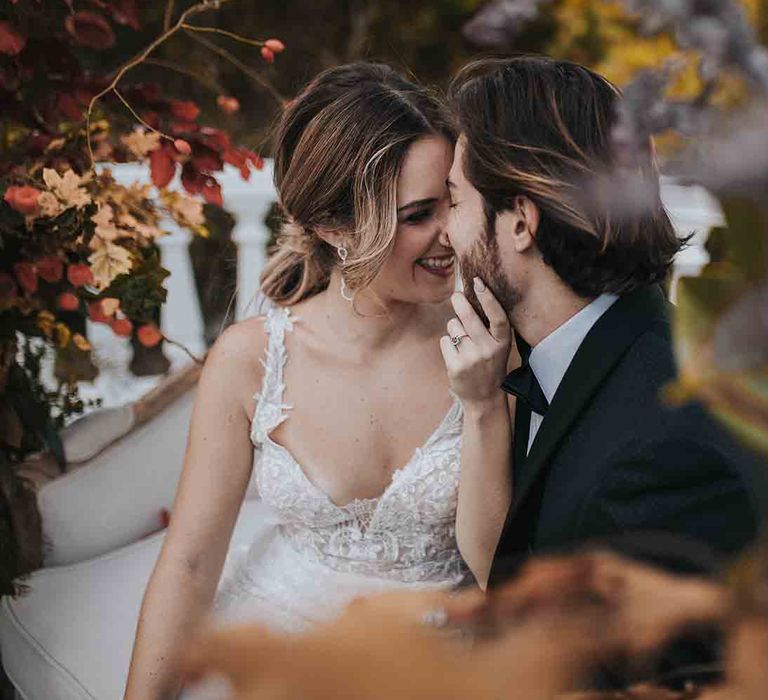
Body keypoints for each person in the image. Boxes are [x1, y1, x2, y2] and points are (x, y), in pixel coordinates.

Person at [123, 62, 508, 700]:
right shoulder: (251, 360)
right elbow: (190, 563)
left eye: (454, 202)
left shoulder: (487, 342)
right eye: (417, 214)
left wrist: (486, 402)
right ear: (335, 227)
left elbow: (502, 569)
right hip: (273, 648)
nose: (451, 234)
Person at [439, 56, 760, 589]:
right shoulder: (551, 357)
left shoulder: (670, 453)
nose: (445, 234)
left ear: (520, 221)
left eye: (454, 201)